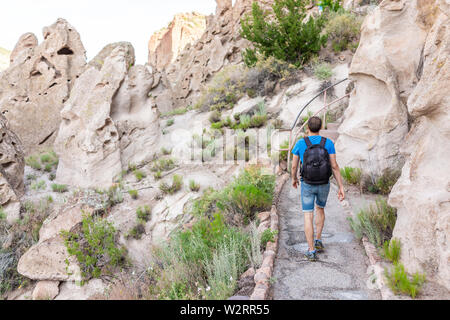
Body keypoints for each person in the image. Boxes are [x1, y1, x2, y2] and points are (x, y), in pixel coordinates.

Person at [291, 116, 345, 261]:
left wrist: (294, 179)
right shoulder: (328, 143)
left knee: (308, 215)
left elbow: (294, 166)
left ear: (307, 128)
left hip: (307, 184)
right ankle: (318, 240)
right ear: (321, 128)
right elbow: (334, 166)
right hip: (323, 183)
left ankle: (311, 250)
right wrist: (340, 186)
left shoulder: (301, 143)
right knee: (320, 209)